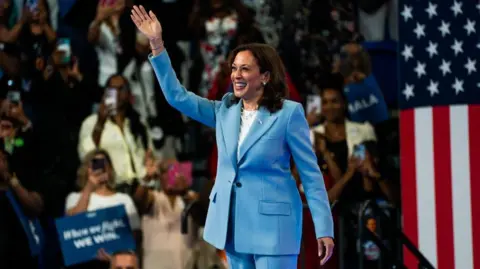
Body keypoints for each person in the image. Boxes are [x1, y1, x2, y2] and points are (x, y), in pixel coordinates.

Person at [130, 5, 334, 269]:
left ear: (265, 77)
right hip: (233, 227)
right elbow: (177, 96)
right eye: (234, 68)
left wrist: (323, 228)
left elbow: (310, 173)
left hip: (274, 230)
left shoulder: (288, 114)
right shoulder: (223, 111)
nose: (236, 75)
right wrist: (157, 45)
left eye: (245, 69)